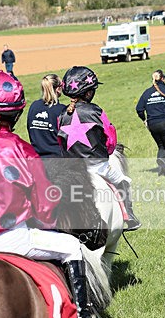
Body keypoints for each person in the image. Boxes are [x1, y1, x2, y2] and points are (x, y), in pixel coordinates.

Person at [0, 71, 104, 318]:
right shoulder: (22, 150)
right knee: (71, 247)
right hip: (13, 240)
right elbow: (43, 206)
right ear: (17, 114)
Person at [58, 66, 141, 231]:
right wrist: (107, 151)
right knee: (123, 181)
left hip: (73, 170)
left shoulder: (61, 115)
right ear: (88, 93)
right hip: (98, 167)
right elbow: (111, 140)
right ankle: (130, 217)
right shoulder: (96, 111)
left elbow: (61, 144)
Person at [136, 70, 165, 175]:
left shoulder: (146, 93)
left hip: (153, 124)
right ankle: (161, 160)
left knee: (161, 147)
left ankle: (162, 171)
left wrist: (145, 120)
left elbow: (139, 109)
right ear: (162, 79)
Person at [27, 74, 67, 159]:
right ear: (58, 89)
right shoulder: (62, 110)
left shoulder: (33, 106)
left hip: (36, 159)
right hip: (58, 160)